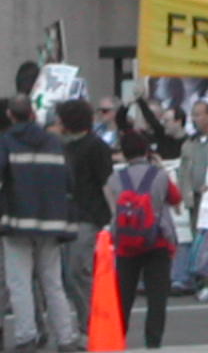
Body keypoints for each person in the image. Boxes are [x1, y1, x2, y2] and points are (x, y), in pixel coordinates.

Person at [0, 95, 79, 352]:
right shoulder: (54, 143)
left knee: (19, 282)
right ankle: (65, 338)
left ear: (10, 116)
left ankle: (27, 336)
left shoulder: (6, 143)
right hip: (51, 221)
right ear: (32, 114)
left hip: (17, 221)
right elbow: (69, 181)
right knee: (53, 283)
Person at [103, 130, 181, 349]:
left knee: (124, 296)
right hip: (157, 240)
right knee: (157, 297)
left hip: (126, 243)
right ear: (147, 150)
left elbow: (113, 210)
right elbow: (176, 198)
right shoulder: (159, 175)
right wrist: (161, 167)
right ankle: (153, 341)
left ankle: (118, 338)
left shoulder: (115, 179)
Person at [56, 99, 113, 342]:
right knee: (70, 275)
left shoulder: (95, 146)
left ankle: (93, 325)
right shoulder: (63, 147)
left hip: (88, 215)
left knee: (78, 271)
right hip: (69, 216)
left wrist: (113, 218)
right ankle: (86, 323)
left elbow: (107, 183)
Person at [177, 100, 208, 301]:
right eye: (194, 115)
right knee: (200, 242)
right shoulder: (189, 144)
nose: (196, 119)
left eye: (200, 114)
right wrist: (186, 196)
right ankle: (204, 282)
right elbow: (183, 172)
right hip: (197, 199)